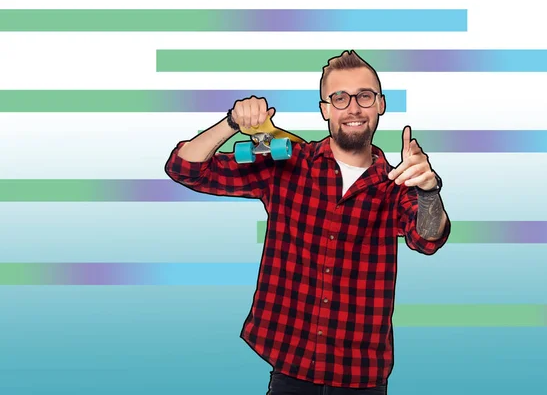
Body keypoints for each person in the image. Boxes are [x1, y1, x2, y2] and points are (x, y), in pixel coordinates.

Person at [164, 50, 451, 395]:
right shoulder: (285, 160)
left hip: (361, 376)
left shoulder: (397, 184)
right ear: (325, 109)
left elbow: (428, 239)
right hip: (290, 365)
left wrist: (428, 189)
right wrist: (231, 123)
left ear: (380, 105)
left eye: (364, 96)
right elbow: (185, 168)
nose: (353, 108)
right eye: (340, 98)